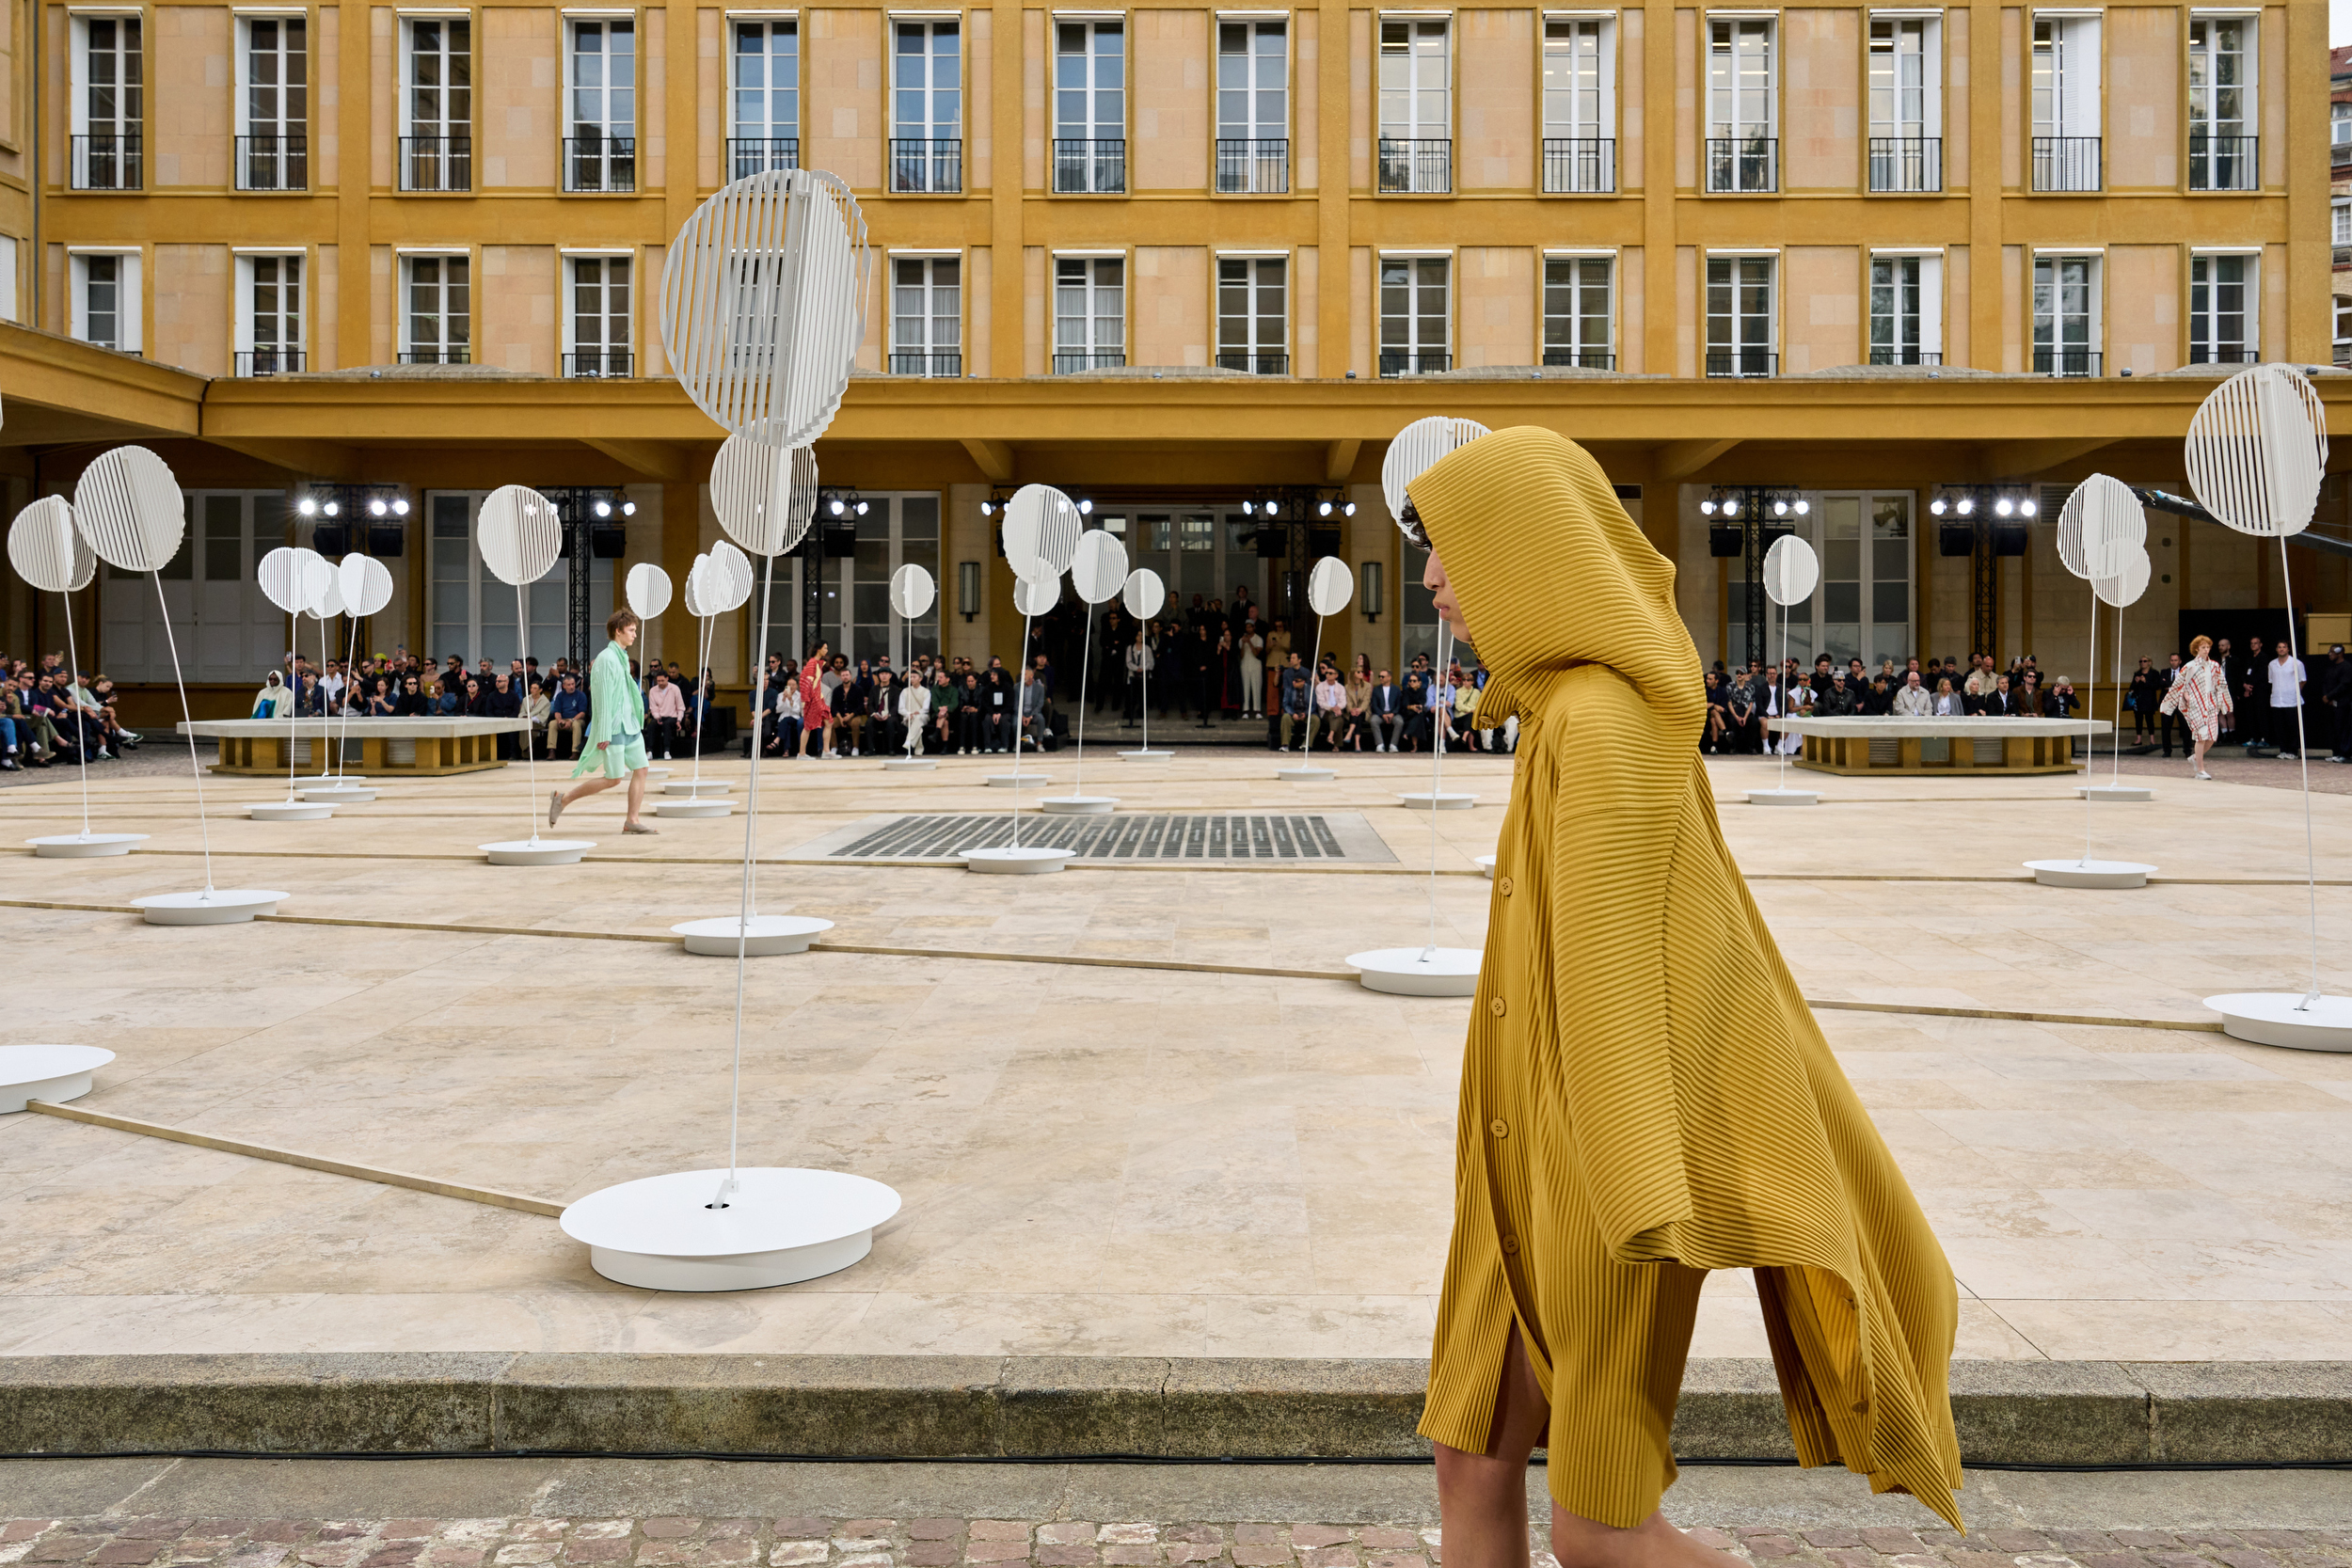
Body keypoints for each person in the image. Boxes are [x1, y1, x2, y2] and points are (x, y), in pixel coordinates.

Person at [1405, 427, 1961, 1567]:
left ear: (1525, 547)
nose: (1429, 580)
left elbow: (1617, 979)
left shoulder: (1602, 724)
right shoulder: (1555, 710)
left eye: (1450, 547)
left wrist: (1636, 1202)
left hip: (1605, 1179)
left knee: (1601, 1531)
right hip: (1513, 1158)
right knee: (1468, 1457)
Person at [548, 608, 656, 834]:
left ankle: (632, 820)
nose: (635, 634)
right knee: (614, 778)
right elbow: (602, 697)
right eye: (631, 630)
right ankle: (563, 799)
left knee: (642, 769)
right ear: (618, 631)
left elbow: (625, 692)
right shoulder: (606, 659)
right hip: (615, 727)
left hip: (630, 725)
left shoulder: (622, 657)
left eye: (635, 630)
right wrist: (604, 731)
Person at [2159, 634, 2232, 780]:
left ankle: (2194, 758)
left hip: (2211, 704)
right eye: (2203, 647)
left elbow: (2222, 685)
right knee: (2201, 736)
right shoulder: (2190, 666)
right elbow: (2179, 685)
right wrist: (2178, 701)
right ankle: (2200, 769)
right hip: (2196, 705)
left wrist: (2224, 704)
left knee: (2212, 737)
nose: (2206, 650)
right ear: (2197, 649)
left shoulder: (2214, 666)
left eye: (2208, 647)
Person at [2268, 640, 2308, 758]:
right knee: (2280, 728)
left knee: (2292, 727)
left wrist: (2294, 691)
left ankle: (2293, 751)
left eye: (2284, 647)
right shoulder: (2272, 664)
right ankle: (2283, 750)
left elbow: (2303, 680)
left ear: (2288, 649)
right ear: (2276, 649)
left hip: (2291, 701)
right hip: (2276, 701)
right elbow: (2271, 680)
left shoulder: (2296, 663)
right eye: (2279, 647)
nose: (2281, 649)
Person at [800, 641, 836, 759]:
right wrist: (806, 699)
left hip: (818, 697)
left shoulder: (817, 664)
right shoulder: (812, 664)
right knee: (808, 726)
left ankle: (826, 751)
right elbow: (806, 682)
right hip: (812, 699)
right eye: (825, 648)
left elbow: (815, 683)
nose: (827, 650)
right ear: (818, 649)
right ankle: (801, 753)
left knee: (829, 721)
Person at [645, 670, 687, 760]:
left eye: (662, 681)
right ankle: (650, 751)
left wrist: (679, 720)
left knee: (667, 725)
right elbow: (653, 707)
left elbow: (680, 707)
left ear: (667, 679)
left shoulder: (675, 689)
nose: (660, 683)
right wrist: (657, 717)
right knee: (651, 726)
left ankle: (667, 751)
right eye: (658, 681)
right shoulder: (653, 690)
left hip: (672, 716)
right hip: (659, 716)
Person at [548, 673, 588, 759]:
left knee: (576, 725)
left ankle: (575, 752)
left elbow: (582, 713)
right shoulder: (560, 696)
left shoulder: (581, 695)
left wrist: (572, 720)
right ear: (564, 686)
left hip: (577, 719)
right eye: (569, 685)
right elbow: (557, 712)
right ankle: (551, 751)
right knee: (552, 723)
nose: (571, 687)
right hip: (563, 719)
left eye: (573, 684)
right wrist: (559, 720)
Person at [1367, 669, 1405, 752]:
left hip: (1393, 713)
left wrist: (1393, 713)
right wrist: (1382, 714)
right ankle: (1380, 744)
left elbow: (1399, 704)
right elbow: (1374, 705)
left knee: (1400, 722)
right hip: (1380, 714)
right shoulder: (1376, 690)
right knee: (1373, 721)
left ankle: (1393, 745)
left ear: (1389, 677)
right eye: (1380, 676)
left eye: (1383, 676)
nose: (1380, 678)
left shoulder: (1396, 689)